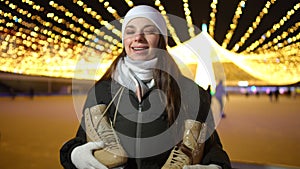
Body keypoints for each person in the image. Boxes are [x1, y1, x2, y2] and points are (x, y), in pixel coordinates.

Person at [60, 5, 231, 169]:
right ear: (124, 40)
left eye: (149, 31)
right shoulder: (102, 91)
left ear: (162, 39)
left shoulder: (191, 93)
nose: (138, 37)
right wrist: (74, 155)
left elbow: (212, 147)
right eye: (130, 31)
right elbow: (83, 139)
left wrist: (215, 166)